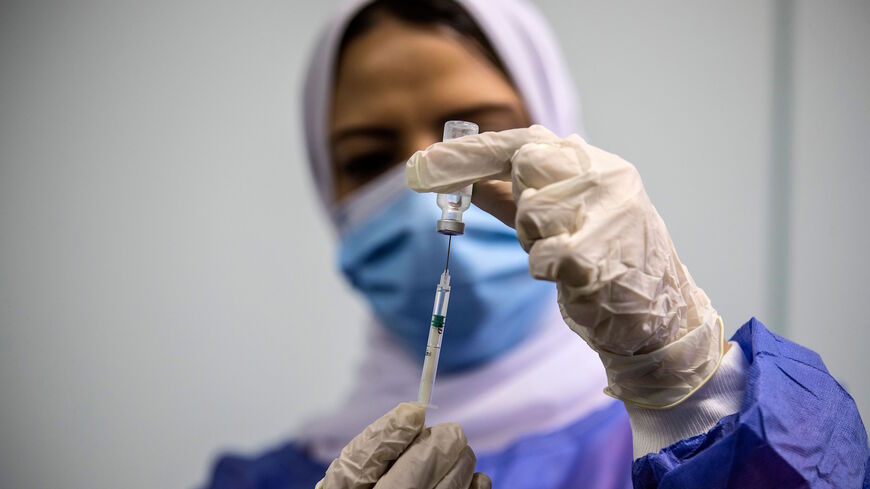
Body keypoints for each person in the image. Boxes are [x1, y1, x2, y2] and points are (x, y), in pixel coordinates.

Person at [203, 1, 869, 488]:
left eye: (472, 138)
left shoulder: (681, 442)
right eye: (370, 157)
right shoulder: (260, 481)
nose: (429, 176)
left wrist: (689, 394)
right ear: (329, 189)